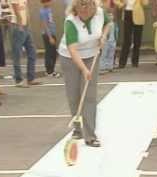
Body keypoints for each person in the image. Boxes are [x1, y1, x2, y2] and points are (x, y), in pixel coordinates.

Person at [58, 0, 111, 147]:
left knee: (89, 95)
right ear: (75, 6)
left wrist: (104, 36)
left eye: (87, 4)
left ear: (94, 4)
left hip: (92, 55)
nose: (84, 9)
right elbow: (72, 50)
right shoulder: (70, 22)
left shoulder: (100, 13)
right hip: (69, 58)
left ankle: (90, 135)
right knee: (74, 94)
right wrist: (84, 69)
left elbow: (108, 24)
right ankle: (77, 128)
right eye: (81, 5)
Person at [9, 0, 42, 88]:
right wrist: (20, 24)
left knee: (32, 52)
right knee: (17, 54)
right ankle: (18, 80)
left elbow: (26, 10)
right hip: (17, 26)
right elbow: (15, 9)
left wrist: (28, 24)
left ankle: (31, 78)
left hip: (26, 26)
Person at [116, 0, 149, 69]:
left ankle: (135, 62)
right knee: (127, 40)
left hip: (138, 16)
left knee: (137, 41)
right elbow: (117, 2)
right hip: (127, 14)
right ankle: (122, 63)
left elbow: (146, 3)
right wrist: (122, 4)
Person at [40, 0, 61, 78]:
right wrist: (50, 37)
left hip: (52, 34)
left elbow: (51, 22)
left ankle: (52, 70)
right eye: (46, 2)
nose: (48, 3)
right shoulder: (43, 11)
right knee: (49, 53)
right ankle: (49, 71)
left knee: (53, 53)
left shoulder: (49, 9)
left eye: (49, 1)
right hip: (47, 35)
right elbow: (45, 24)